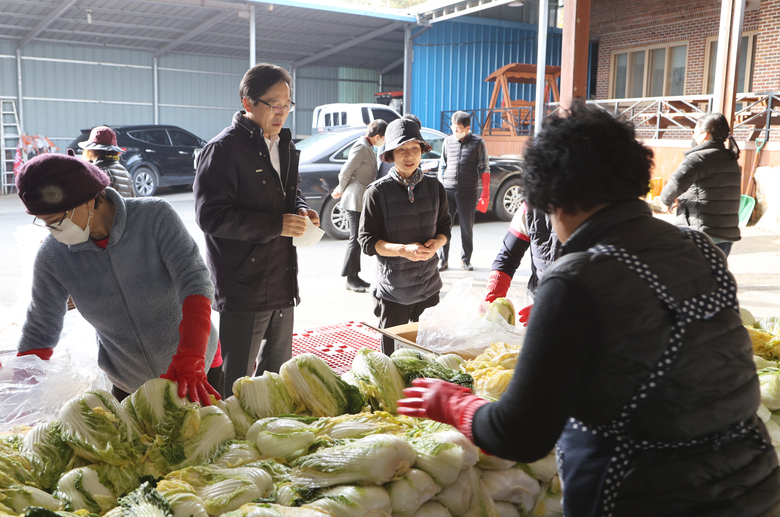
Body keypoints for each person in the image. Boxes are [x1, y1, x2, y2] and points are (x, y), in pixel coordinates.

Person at [398, 102, 779, 516]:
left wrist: (452, 402)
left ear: (552, 198)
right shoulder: (700, 248)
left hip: (647, 498)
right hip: (754, 489)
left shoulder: (576, 280)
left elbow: (521, 435)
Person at [15, 154, 223, 404]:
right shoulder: (53, 256)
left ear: (89, 201)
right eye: (46, 224)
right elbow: (40, 327)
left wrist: (192, 355)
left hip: (197, 368)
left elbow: (196, 283)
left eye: (57, 221)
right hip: (130, 385)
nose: (54, 231)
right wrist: (19, 388)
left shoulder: (154, 218)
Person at [194, 63, 319, 396]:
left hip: (281, 275)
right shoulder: (222, 150)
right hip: (244, 282)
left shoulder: (283, 144)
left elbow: (287, 191)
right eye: (273, 105)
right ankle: (234, 438)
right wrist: (277, 224)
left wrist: (300, 209)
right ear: (248, 103)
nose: (282, 113)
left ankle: (268, 431)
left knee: (277, 376)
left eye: (287, 105)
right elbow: (210, 217)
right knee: (238, 379)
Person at [359, 119, 451, 356]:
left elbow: (445, 227)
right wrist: (401, 250)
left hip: (429, 287)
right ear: (390, 154)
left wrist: (437, 242)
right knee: (392, 360)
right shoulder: (376, 192)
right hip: (393, 291)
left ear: (422, 151)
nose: (409, 156)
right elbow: (367, 242)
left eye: (414, 149)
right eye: (401, 149)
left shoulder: (435, 187)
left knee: (430, 356)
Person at [659, 112, 742, 256]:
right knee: (715, 275)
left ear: (704, 135)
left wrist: (666, 201)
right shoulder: (730, 158)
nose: (693, 135)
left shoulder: (698, 158)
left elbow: (674, 184)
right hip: (725, 234)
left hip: (701, 232)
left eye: (695, 132)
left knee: (693, 276)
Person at [331, 119, 387, 293]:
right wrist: (340, 189)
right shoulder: (362, 146)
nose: (383, 141)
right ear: (377, 136)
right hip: (354, 198)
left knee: (358, 239)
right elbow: (346, 171)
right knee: (354, 240)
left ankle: (355, 276)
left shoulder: (368, 146)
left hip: (361, 198)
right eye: (383, 137)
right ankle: (350, 279)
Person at [437, 111, 490, 271]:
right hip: (448, 190)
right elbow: (442, 165)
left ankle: (465, 259)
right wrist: (441, 184)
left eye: (459, 128)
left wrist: (485, 191)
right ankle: (443, 260)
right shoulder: (448, 141)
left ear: (468, 128)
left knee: (467, 227)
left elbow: (484, 167)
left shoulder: (478, 143)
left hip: (468, 191)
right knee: (444, 226)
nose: (455, 130)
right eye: (453, 127)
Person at [484, 202, 559, 302]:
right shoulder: (530, 208)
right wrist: (492, 296)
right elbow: (508, 256)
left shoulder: (583, 212)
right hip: (538, 298)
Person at [78, 126, 135, 198]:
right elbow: (132, 201)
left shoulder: (97, 172)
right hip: (123, 209)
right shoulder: (125, 172)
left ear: (91, 150)